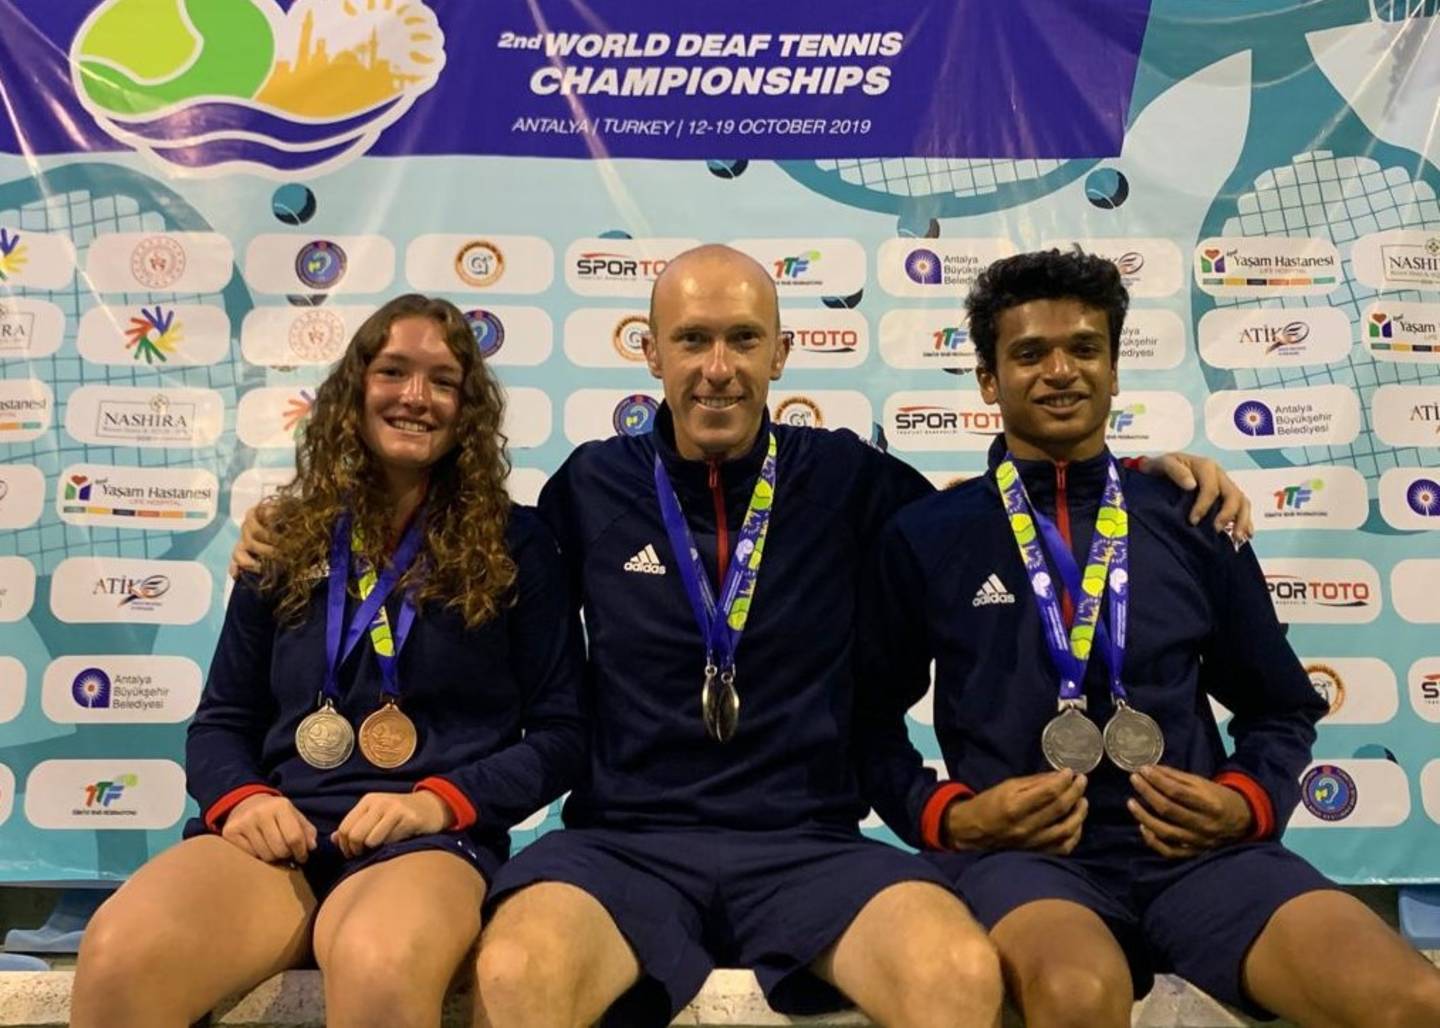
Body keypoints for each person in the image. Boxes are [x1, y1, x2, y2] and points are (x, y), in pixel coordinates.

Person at [233, 244, 1248, 1028]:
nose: (717, 367)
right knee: (518, 968)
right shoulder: (590, 486)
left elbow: (996, 515)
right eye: (692, 340)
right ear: (651, 351)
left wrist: (1140, 478)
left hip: (809, 843)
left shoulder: (850, 479)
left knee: (955, 970)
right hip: (622, 843)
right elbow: (458, 540)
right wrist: (303, 519)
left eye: (741, 339)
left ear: (779, 351)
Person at [857, 249, 1440, 1028]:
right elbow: (865, 723)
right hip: (1026, 863)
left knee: (1410, 1000)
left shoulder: (1190, 515)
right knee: (1075, 995)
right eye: (1030, 353)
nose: (1060, 371)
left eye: (1085, 349)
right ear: (989, 382)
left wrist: (1246, 803)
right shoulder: (928, 536)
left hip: (1200, 858)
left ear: (1115, 369)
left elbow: (1280, 707)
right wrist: (949, 817)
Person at [72, 294, 586, 1028]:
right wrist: (242, 799)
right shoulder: (289, 535)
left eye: (443, 381)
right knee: (120, 951)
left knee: (380, 961)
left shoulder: (518, 547)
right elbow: (220, 722)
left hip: (429, 839)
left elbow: (565, 734)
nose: (416, 396)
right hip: (279, 841)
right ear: (354, 390)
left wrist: (438, 801)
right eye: (393, 371)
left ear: (468, 409)